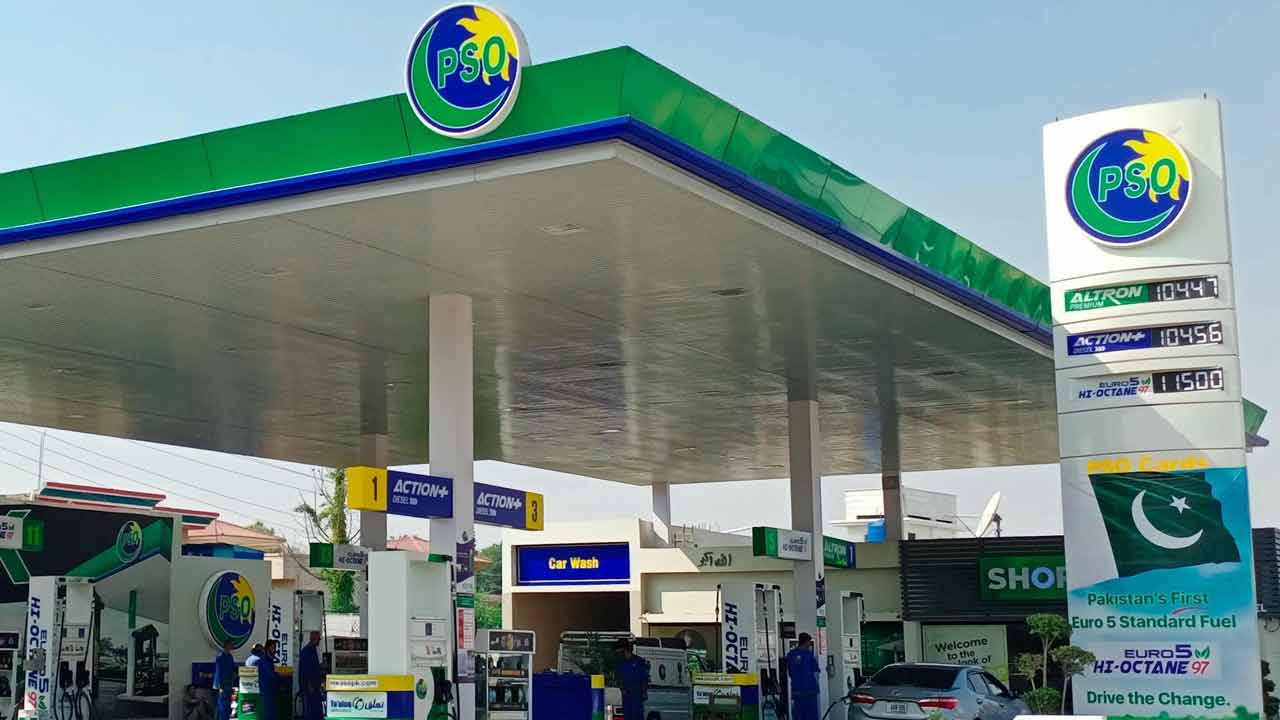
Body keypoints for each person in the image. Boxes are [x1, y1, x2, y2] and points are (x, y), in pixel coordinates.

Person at [785, 633, 821, 720]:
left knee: (799, 716)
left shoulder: (790, 655)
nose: (809, 644)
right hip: (809, 691)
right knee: (811, 716)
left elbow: (790, 673)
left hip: (797, 692)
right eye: (809, 642)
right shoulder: (808, 654)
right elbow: (816, 671)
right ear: (806, 642)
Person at [614, 639, 649, 719]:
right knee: (627, 716)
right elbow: (618, 678)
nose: (617, 653)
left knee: (637, 715)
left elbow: (644, 678)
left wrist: (644, 692)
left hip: (637, 695)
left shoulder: (639, 661)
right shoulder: (620, 663)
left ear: (624, 649)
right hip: (626, 696)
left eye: (619, 650)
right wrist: (622, 689)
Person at [299, 631, 324, 720]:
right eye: (319, 639)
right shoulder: (307, 651)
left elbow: (312, 667)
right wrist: (309, 685)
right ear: (315, 639)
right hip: (310, 687)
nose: (319, 641)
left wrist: (320, 666)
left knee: (315, 710)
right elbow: (306, 670)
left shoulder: (312, 649)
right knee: (310, 711)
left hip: (314, 686)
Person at [212, 639, 238, 720]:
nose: (232, 646)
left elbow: (233, 669)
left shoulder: (230, 657)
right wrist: (219, 686)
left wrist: (235, 675)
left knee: (227, 706)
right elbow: (218, 671)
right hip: (222, 685)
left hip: (229, 684)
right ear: (227, 645)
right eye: (231, 644)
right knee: (222, 706)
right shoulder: (220, 657)